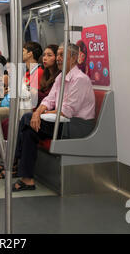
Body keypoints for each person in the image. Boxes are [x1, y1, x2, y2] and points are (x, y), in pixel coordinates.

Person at [12, 43, 96, 191]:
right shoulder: (61, 77)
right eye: (57, 55)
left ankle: (14, 163)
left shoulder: (80, 79)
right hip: (62, 122)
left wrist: (39, 114)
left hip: (76, 125)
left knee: (27, 119)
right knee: (30, 130)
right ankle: (27, 179)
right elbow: (49, 100)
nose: (58, 58)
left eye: (61, 55)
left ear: (74, 58)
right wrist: (38, 113)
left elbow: (67, 111)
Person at [0, 44, 61, 179]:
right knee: (11, 123)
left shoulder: (52, 76)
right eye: (45, 55)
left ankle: (12, 161)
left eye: (50, 55)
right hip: (37, 110)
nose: (45, 58)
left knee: (17, 124)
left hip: (46, 114)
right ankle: (12, 162)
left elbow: (49, 99)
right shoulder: (45, 74)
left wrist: (32, 93)